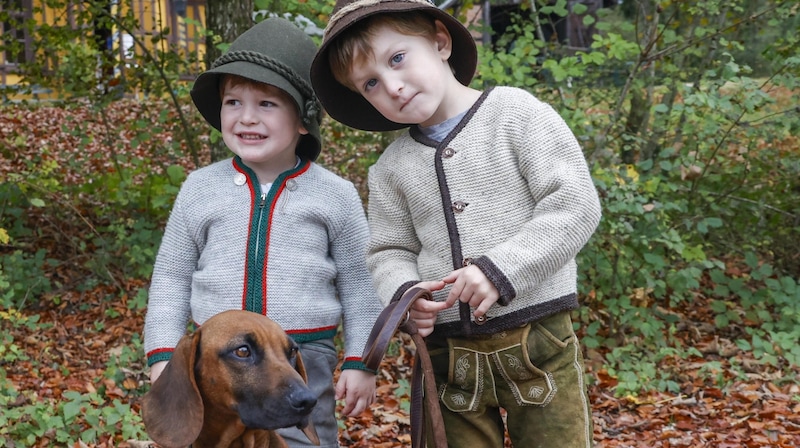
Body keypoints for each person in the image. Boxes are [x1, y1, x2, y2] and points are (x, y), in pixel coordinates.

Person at [310, 1, 602, 447]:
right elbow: (388, 251)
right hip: (448, 355)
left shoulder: (515, 113)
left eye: (398, 58)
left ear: (440, 42)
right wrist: (406, 295)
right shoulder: (390, 169)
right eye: (370, 83)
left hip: (539, 339)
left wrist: (499, 269)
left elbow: (575, 204)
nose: (392, 85)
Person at [143, 17, 382, 448]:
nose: (246, 117)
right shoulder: (200, 188)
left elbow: (360, 286)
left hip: (302, 360)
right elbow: (171, 278)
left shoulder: (335, 195)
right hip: (215, 369)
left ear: (305, 119)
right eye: (233, 102)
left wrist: (360, 362)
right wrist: (162, 355)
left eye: (267, 104)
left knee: (307, 443)